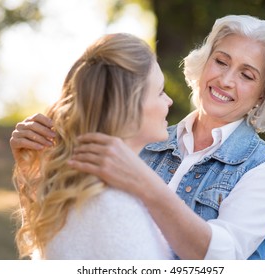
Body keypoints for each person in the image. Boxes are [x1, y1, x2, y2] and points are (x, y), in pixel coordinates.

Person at [10, 15, 265, 260]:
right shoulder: (144, 137)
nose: (225, 80)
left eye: (247, 75)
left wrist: (145, 183)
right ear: (205, 62)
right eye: (221, 61)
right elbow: (74, 237)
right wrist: (33, 168)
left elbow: (223, 260)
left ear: (262, 94)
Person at [11, 33, 173, 259]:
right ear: (128, 108)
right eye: (160, 92)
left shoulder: (72, 193)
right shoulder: (113, 207)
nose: (169, 101)